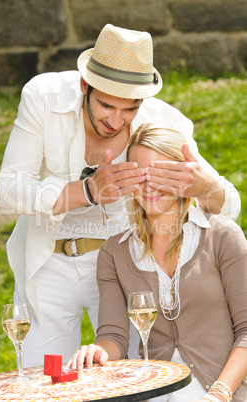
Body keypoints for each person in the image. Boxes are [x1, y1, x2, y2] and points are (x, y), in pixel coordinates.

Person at [0, 24, 240, 368]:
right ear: (84, 85)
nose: (116, 120)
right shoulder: (43, 97)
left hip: (120, 267)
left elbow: (229, 207)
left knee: (129, 374)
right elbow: (6, 191)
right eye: (107, 105)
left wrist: (207, 188)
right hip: (47, 258)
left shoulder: (164, 122)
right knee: (42, 375)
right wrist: (87, 191)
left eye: (130, 109)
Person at [68, 122, 247, 402]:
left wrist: (219, 395)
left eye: (161, 173)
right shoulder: (114, 252)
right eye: (140, 175)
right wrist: (98, 351)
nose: (150, 186)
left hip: (223, 393)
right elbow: (114, 336)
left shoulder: (223, 236)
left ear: (184, 174)